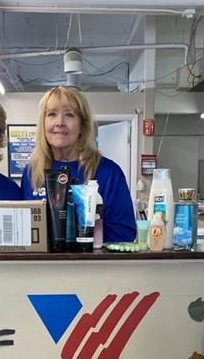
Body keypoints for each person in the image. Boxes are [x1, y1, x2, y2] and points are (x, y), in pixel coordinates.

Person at [21, 86, 136, 243]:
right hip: (42, 266)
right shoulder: (32, 172)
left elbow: (124, 235)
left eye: (69, 115)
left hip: (93, 265)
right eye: (52, 114)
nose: (59, 122)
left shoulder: (108, 172)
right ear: (43, 123)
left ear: (82, 125)